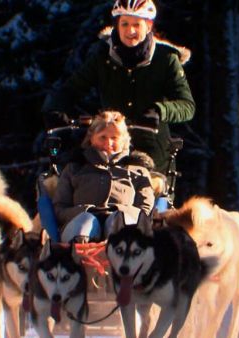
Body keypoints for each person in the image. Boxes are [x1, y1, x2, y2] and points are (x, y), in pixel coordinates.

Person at [42, 0, 195, 174]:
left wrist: (160, 111)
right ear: (116, 25)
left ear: (149, 26)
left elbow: (187, 106)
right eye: (125, 24)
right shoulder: (103, 56)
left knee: (150, 197)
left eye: (137, 24)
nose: (130, 31)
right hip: (108, 148)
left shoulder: (166, 59)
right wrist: (55, 108)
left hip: (152, 152)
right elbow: (72, 88)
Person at [53, 111, 155, 243]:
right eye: (103, 137)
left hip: (124, 226)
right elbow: (60, 208)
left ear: (124, 140)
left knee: (118, 221)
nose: (108, 143)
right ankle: (82, 256)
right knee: (86, 222)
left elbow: (145, 210)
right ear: (91, 137)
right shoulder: (75, 167)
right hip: (80, 223)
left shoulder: (137, 170)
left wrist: (120, 211)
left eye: (114, 138)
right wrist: (86, 211)